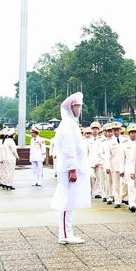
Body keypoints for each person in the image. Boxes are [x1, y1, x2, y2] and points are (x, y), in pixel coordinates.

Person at [51, 92, 90, 244]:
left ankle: (68, 232)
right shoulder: (67, 125)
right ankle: (65, 235)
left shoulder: (71, 124)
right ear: (71, 107)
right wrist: (72, 168)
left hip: (70, 168)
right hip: (68, 169)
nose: (80, 110)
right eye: (78, 106)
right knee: (66, 201)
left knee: (69, 201)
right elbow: (69, 148)